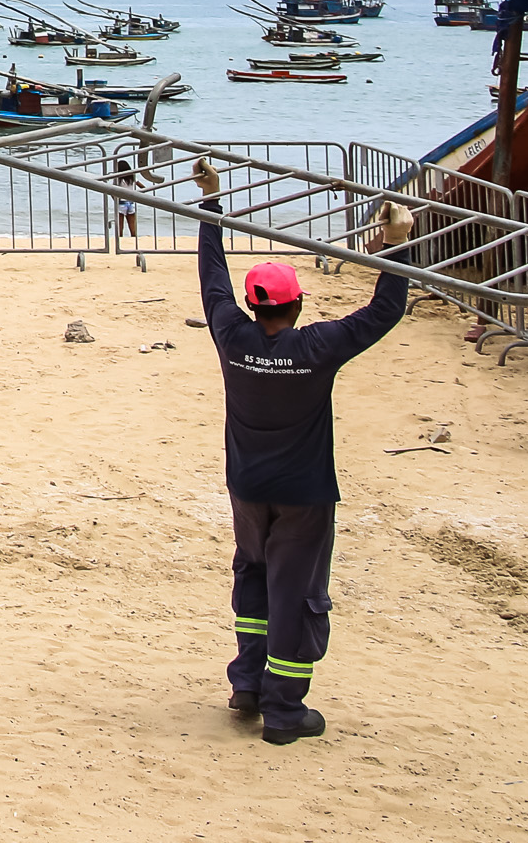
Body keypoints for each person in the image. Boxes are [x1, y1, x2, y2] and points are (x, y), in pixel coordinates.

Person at [192, 158, 411, 745]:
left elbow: (212, 281)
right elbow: (384, 312)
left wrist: (211, 205)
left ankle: (248, 684)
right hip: (304, 497)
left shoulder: (231, 335)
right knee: (296, 594)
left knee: (254, 580)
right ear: (296, 305)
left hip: (247, 490)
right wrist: (395, 245)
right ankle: (284, 711)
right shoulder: (317, 345)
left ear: (254, 304)